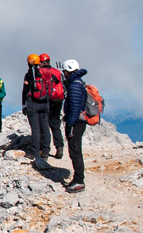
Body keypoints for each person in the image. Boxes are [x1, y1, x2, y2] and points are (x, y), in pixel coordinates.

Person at [61, 59, 89, 193]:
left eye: (65, 71)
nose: (64, 74)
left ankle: (79, 181)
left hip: (76, 123)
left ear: (68, 71)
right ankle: (77, 179)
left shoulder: (74, 86)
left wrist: (70, 124)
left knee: (75, 151)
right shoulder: (77, 83)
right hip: (78, 122)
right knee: (75, 151)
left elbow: (75, 107)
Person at [21, 54, 51, 162]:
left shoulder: (29, 74)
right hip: (45, 102)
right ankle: (46, 151)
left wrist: (24, 104)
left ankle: (35, 152)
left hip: (33, 103)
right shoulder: (46, 73)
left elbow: (25, 90)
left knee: (35, 129)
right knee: (45, 127)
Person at [40, 53, 66, 159]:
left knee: (44, 126)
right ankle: (59, 147)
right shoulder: (57, 72)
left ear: (41, 63)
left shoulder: (39, 72)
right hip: (57, 100)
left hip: (44, 101)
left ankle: (45, 150)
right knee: (55, 125)